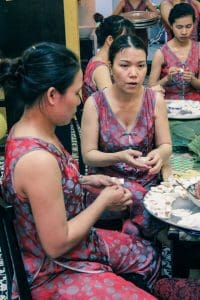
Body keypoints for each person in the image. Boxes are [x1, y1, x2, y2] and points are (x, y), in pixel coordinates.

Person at [0, 42, 160, 299]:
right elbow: (55, 244)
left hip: (75, 247)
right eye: (76, 93)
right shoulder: (36, 159)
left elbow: (46, 190)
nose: (80, 100)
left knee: (147, 255)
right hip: (53, 270)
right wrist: (105, 200)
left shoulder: (34, 129)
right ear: (53, 95)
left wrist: (84, 182)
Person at [81, 34, 172, 238]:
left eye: (140, 66)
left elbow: (166, 145)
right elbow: (88, 155)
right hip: (108, 183)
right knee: (145, 207)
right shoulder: (95, 104)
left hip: (146, 180)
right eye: (124, 65)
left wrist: (159, 155)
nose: (134, 74)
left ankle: (134, 243)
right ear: (110, 66)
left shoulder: (154, 100)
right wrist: (119, 156)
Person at [149, 3, 200, 100]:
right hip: (168, 106)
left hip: (195, 106)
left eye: (188, 26)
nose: (184, 32)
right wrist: (167, 79)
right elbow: (151, 88)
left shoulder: (198, 49)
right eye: (179, 27)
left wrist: (192, 79)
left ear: (194, 24)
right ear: (171, 26)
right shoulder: (161, 53)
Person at [82, 13, 135, 103]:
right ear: (110, 40)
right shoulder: (101, 69)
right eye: (124, 40)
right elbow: (112, 104)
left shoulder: (99, 59)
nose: (129, 45)